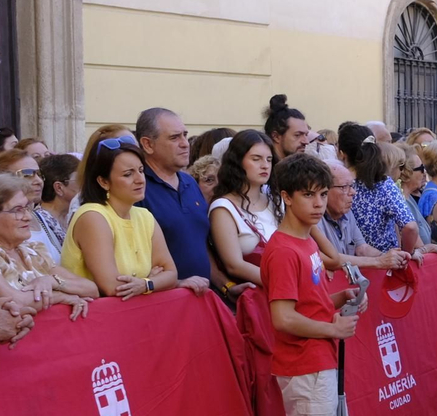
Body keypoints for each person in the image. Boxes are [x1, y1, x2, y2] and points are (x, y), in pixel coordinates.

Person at [261, 153, 365, 416]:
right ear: (286, 196)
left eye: (323, 193)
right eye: (308, 195)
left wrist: (341, 299)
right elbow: (282, 318)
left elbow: (311, 301)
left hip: (323, 356)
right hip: (304, 362)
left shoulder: (305, 243)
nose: (319, 202)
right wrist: (332, 328)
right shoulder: (284, 250)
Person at [63, 136, 198, 298]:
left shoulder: (144, 216)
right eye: (128, 174)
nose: (140, 180)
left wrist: (146, 284)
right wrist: (151, 279)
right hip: (95, 317)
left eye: (141, 171)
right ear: (103, 181)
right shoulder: (92, 216)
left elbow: (171, 274)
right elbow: (113, 287)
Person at [0, 173, 97, 317]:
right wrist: (61, 296)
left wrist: (52, 281)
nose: (27, 217)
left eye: (27, 208)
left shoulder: (31, 249)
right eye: (17, 210)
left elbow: (91, 289)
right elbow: (16, 301)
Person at [135, 107, 214, 284]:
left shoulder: (190, 182)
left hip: (203, 296)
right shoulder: (137, 188)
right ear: (148, 144)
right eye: (174, 137)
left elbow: (201, 247)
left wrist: (226, 286)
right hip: (163, 302)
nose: (185, 143)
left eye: (185, 135)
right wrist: (176, 283)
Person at [210, 130, 280, 289]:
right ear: (237, 161)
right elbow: (234, 265)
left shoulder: (278, 201)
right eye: (256, 159)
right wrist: (283, 283)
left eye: (269, 159)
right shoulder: (223, 208)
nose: (265, 165)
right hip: (261, 295)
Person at [337, 123, 420, 253]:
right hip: (386, 263)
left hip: (350, 261)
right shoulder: (383, 183)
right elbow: (410, 226)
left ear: (341, 154)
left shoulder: (337, 185)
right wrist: (407, 252)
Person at [318, 160, 408, 270]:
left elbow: (361, 248)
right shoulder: (315, 220)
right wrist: (378, 261)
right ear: (325, 190)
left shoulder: (347, 213)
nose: (353, 192)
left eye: (352, 186)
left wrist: (389, 258)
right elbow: (330, 259)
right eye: (344, 187)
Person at [0, 149, 59, 263]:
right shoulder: (4, 225)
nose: (38, 181)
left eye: (39, 174)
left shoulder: (43, 217)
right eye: (27, 174)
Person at [37, 153, 80, 255]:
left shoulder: (71, 216)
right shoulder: (39, 222)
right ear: (59, 188)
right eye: (80, 179)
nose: (86, 184)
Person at [265, 95, 313, 161]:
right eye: (298, 135)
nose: (306, 141)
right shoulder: (263, 169)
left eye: (306, 135)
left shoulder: (303, 168)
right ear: (276, 136)